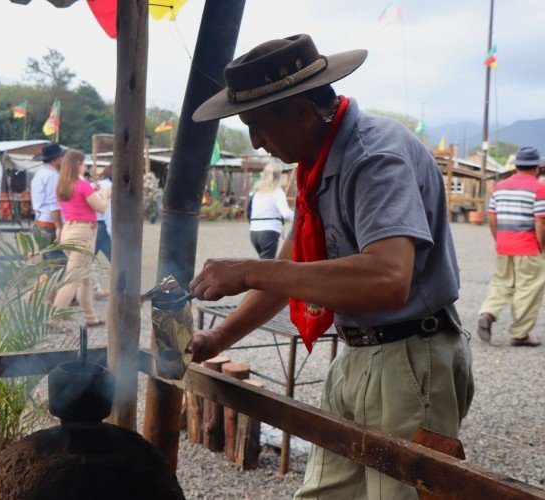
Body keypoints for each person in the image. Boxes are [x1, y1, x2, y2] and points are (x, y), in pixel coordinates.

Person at [187, 34, 474, 499]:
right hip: (360, 353)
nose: (257, 143)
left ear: (302, 110)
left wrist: (247, 270)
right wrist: (218, 338)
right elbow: (291, 268)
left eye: (259, 126)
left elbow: (387, 280)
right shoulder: (317, 164)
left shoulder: (374, 155)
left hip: (410, 359)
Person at [477, 147, 545, 347]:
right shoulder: (539, 188)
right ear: (536, 167)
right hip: (528, 245)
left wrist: (498, 238)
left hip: (504, 244)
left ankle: (488, 314)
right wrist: (542, 246)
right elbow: (540, 221)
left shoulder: (500, 187)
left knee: (501, 283)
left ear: (516, 166)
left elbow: (492, 215)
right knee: (528, 288)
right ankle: (520, 334)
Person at [51, 150, 109, 331]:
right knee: (74, 279)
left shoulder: (63, 185)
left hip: (68, 230)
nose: (85, 167)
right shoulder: (83, 185)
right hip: (83, 232)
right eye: (84, 164)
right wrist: (105, 195)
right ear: (78, 164)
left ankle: (90, 318)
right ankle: (53, 320)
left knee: (84, 277)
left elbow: (79, 198)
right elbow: (101, 208)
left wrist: (93, 190)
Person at [248, 162, 294, 259]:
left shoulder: (256, 191)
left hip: (254, 232)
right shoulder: (277, 191)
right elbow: (285, 213)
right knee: (267, 266)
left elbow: (249, 211)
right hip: (269, 232)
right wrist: (299, 217)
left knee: (263, 263)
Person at [31, 142, 67, 264]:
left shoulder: (39, 173)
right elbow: (54, 205)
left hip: (39, 223)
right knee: (59, 265)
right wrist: (59, 227)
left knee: (48, 265)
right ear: (56, 160)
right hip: (49, 226)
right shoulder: (52, 175)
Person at [92, 165, 113, 299]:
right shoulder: (109, 187)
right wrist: (111, 231)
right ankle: (123, 287)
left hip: (93, 224)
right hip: (101, 225)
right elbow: (108, 212)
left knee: (87, 259)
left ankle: (96, 289)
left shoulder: (96, 184)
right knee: (115, 257)